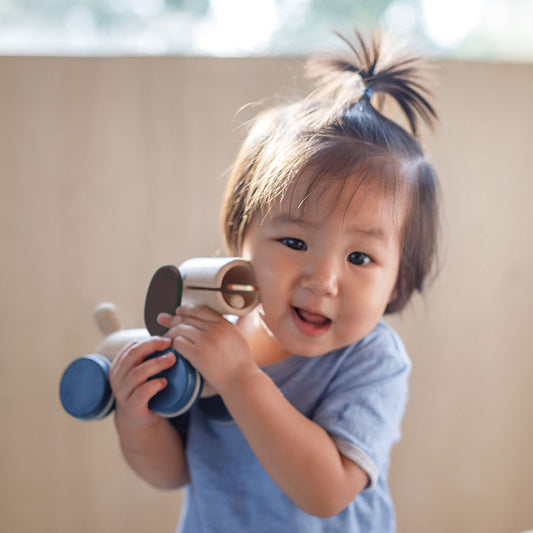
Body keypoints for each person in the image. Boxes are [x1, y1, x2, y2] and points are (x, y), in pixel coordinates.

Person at [109, 29, 440, 532]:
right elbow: (174, 472)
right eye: (294, 242)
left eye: (359, 257)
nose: (323, 279)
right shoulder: (213, 333)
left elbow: (326, 492)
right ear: (239, 236)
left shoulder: (371, 360)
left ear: (399, 280)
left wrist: (240, 379)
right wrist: (137, 419)